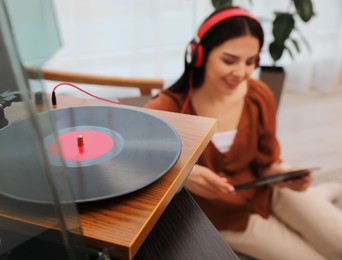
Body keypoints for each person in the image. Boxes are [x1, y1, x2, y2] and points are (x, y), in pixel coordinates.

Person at [145, 6, 342, 260]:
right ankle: (324, 195)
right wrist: (185, 174)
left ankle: (321, 195)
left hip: (270, 191)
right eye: (229, 60)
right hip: (224, 218)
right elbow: (135, 156)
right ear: (199, 55)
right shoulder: (169, 108)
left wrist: (283, 174)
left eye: (251, 62)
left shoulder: (259, 95)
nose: (241, 72)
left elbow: (267, 163)